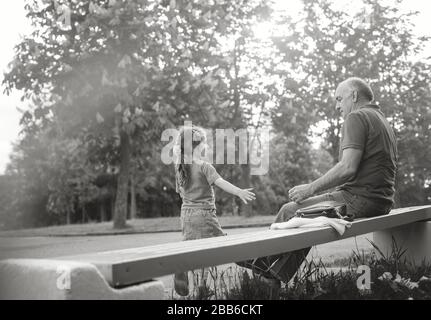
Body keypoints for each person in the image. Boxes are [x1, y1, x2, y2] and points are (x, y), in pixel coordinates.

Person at [238, 77, 398, 293]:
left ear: (354, 96)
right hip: (381, 201)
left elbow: (348, 167)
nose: (337, 105)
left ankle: (261, 267)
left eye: (339, 99)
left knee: (291, 211)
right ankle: (269, 273)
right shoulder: (381, 119)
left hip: (360, 199)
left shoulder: (357, 117)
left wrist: (310, 188)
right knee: (306, 217)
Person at [173, 125, 256, 296]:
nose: (207, 146)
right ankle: (201, 289)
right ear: (197, 146)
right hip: (204, 216)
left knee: (194, 248)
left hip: (186, 216)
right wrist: (239, 192)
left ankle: (183, 266)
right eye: (204, 143)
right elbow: (221, 182)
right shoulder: (204, 166)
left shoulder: (180, 166)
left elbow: (180, 192)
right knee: (216, 249)